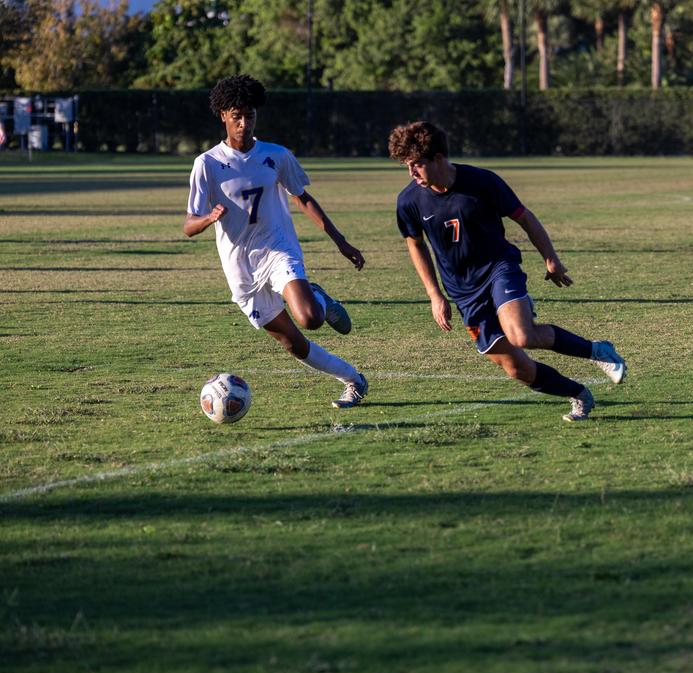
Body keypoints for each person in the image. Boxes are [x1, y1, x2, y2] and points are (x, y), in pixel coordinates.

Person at [388, 121, 626, 422]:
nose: (411, 172)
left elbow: (524, 218)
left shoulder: (482, 182)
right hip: (463, 291)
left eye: (417, 164)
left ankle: (597, 351)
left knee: (521, 335)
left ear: (438, 158)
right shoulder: (408, 201)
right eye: (407, 166)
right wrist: (434, 294)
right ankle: (578, 394)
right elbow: (415, 245)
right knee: (516, 368)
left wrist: (550, 258)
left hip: (499, 268)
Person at [185, 74, 369, 410]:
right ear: (223, 116)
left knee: (310, 318)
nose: (244, 123)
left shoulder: (277, 155)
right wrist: (208, 218)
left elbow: (303, 198)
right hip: (240, 268)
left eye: (250, 115)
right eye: (237, 116)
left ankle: (317, 298)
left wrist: (340, 241)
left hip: (277, 250)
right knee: (292, 343)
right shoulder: (207, 164)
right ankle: (353, 380)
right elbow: (188, 225)